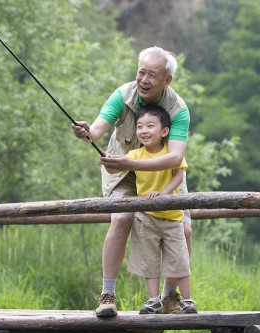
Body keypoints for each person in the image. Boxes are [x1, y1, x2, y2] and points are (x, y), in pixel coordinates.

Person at [71, 46, 192, 317]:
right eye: (141, 71)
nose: (144, 79)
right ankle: (107, 295)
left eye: (153, 74)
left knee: (184, 229)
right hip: (122, 172)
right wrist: (86, 132)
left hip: (164, 175)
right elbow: (97, 131)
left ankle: (168, 297)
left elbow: (175, 159)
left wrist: (133, 162)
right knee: (122, 219)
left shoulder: (178, 109)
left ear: (167, 80)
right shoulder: (121, 95)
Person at [104, 104, 197, 314]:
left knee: (179, 258)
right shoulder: (136, 154)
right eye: (139, 126)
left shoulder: (172, 153)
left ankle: (187, 300)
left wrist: (163, 194)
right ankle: (153, 299)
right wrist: (108, 160)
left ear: (164, 131)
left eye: (150, 126)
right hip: (145, 217)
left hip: (172, 216)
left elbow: (178, 176)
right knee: (149, 260)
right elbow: (118, 165)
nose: (144, 131)